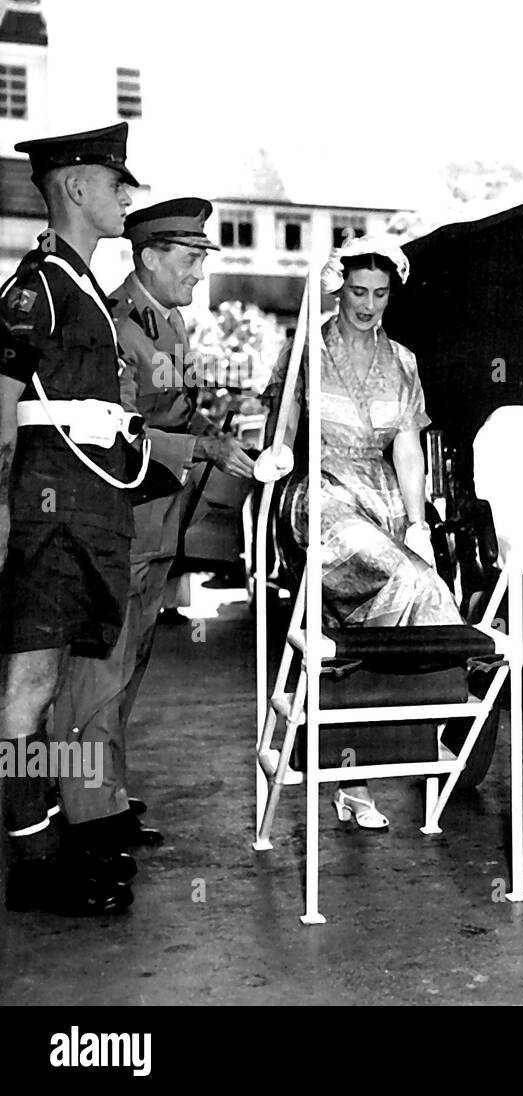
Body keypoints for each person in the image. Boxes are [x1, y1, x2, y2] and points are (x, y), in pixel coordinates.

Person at [47, 198, 255, 857]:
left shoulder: (168, 321)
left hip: (159, 520)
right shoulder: (117, 325)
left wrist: (213, 442)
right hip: (121, 516)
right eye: (190, 260)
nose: (199, 275)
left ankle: (106, 791)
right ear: (149, 257)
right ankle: (86, 816)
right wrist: (202, 451)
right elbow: (116, 432)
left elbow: (181, 412)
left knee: (131, 660)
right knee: (98, 665)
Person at [261, 235, 461, 830]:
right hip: (318, 497)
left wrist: (419, 521)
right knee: (402, 577)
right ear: (338, 288)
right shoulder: (309, 346)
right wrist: (273, 451)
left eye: (379, 293)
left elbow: (406, 448)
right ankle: (344, 756)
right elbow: (285, 421)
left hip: (381, 501)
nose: (368, 304)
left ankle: (356, 771)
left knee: (427, 591)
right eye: (356, 292)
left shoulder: (402, 361)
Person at [0, 123, 141, 915]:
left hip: (81, 514)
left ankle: (46, 843)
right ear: (77, 190)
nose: (125, 198)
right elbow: (1, 406)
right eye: (115, 184)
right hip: (47, 518)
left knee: (46, 686)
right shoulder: (39, 287)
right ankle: (30, 861)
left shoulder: (79, 285)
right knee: (25, 689)